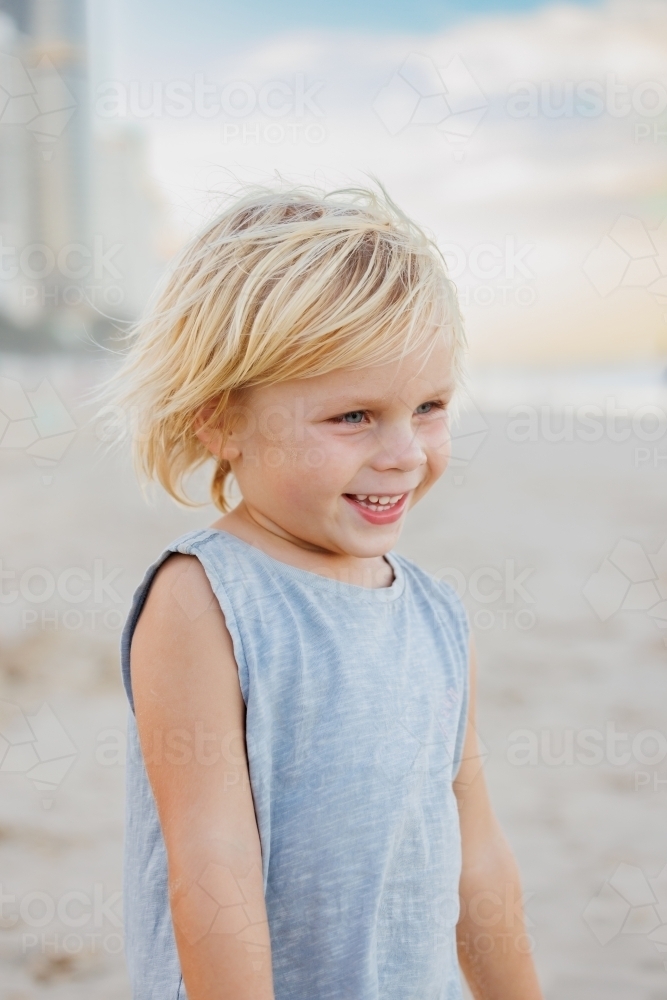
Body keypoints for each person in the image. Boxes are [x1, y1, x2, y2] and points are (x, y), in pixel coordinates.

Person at [107, 184, 543, 1000]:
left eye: (429, 408)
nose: (403, 452)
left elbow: (476, 861)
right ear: (220, 420)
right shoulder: (204, 602)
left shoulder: (435, 615)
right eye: (353, 416)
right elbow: (214, 878)